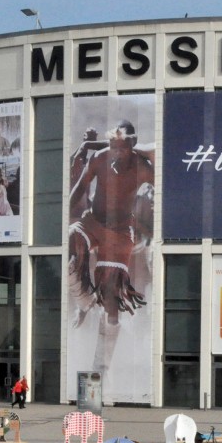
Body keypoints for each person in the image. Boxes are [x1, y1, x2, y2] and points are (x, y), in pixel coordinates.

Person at [68, 119, 154, 378]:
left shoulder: (142, 167)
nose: (116, 152)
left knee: (112, 306)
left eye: (122, 147)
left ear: (133, 145)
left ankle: (99, 371)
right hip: (93, 221)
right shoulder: (100, 158)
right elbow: (80, 189)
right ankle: (84, 303)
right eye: (113, 146)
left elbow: (162, 161)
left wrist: (137, 149)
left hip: (119, 233)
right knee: (71, 242)